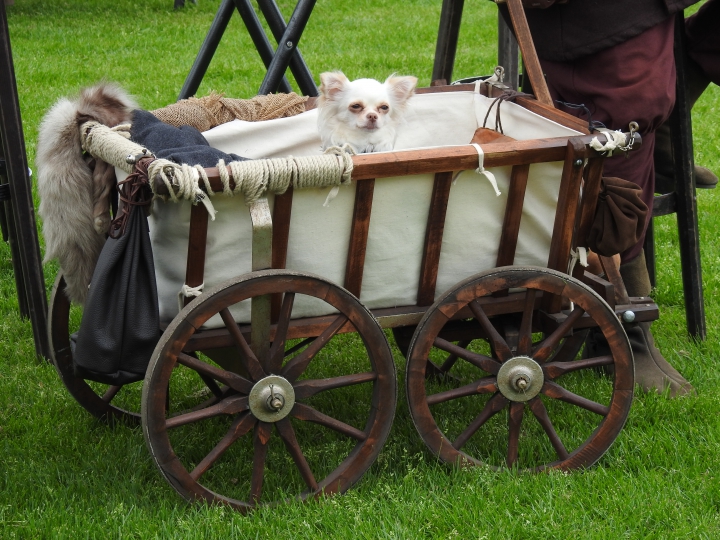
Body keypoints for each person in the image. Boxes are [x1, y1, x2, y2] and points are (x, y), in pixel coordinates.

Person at [500, 0, 719, 396]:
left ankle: (665, 131)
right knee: (624, 108)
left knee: (641, 105)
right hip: (596, 20)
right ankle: (621, 324)